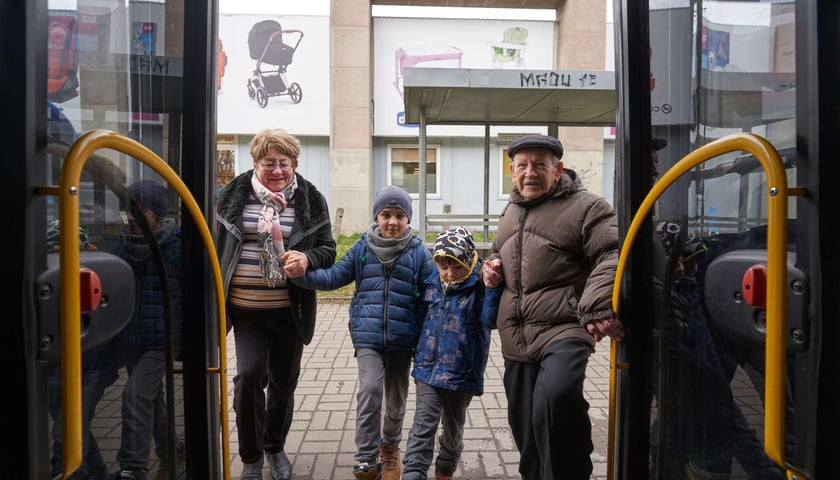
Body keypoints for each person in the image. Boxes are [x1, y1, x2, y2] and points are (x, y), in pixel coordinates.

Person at [482, 134, 625, 480]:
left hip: (565, 327)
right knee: (527, 427)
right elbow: (500, 252)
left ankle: (573, 472)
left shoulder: (587, 207)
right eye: (522, 166)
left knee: (557, 398)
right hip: (517, 337)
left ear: (558, 169)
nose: (530, 173)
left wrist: (595, 303)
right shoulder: (510, 210)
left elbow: (614, 251)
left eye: (540, 165)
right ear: (512, 172)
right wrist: (490, 267)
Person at [286, 185, 433, 480]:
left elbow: (433, 289)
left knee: (395, 399)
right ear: (377, 216)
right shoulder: (362, 248)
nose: (392, 221)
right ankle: (366, 458)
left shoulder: (418, 252)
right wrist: (302, 276)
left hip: (404, 339)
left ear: (408, 219)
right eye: (386, 214)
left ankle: (389, 449)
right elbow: (334, 276)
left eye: (399, 215)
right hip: (367, 336)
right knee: (370, 390)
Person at [215, 128, 336, 480]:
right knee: (248, 376)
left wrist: (307, 259)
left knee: (284, 383)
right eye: (269, 163)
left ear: (294, 164)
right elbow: (213, 242)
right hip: (246, 310)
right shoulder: (230, 196)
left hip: (289, 310)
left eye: (284, 163)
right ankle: (251, 456)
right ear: (255, 163)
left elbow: (328, 250)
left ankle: (275, 447)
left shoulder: (311, 199)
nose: (278, 171)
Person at [401, 227, 501, 480]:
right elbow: (420, 318)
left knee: (453, 428)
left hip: (461, 373)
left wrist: (491, 289)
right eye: (443, 266)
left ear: (468, 260)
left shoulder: (478, 287)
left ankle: (445, 467)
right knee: (424, 424)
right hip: (427, 368)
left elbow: (490, 321)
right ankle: (414, 471)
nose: (449, 273)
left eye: (456, 266)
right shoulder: (431, 283)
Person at [110, 180, 185, 480]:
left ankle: (133, 466)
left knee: (135, 394)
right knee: (151, 398)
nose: (131, 217)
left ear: (156, 212)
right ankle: (172, 452)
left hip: (164, 338)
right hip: (132, 336)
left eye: (139, 210)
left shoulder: (177, 242)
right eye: (128, 209)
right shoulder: (122, 244)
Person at [45, 220, 120, 480]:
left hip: (87, 370)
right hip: (65, 370)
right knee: (76, 427)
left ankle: (69, 473)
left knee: (67, 434)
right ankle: (99, 472)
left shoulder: (89, 280)